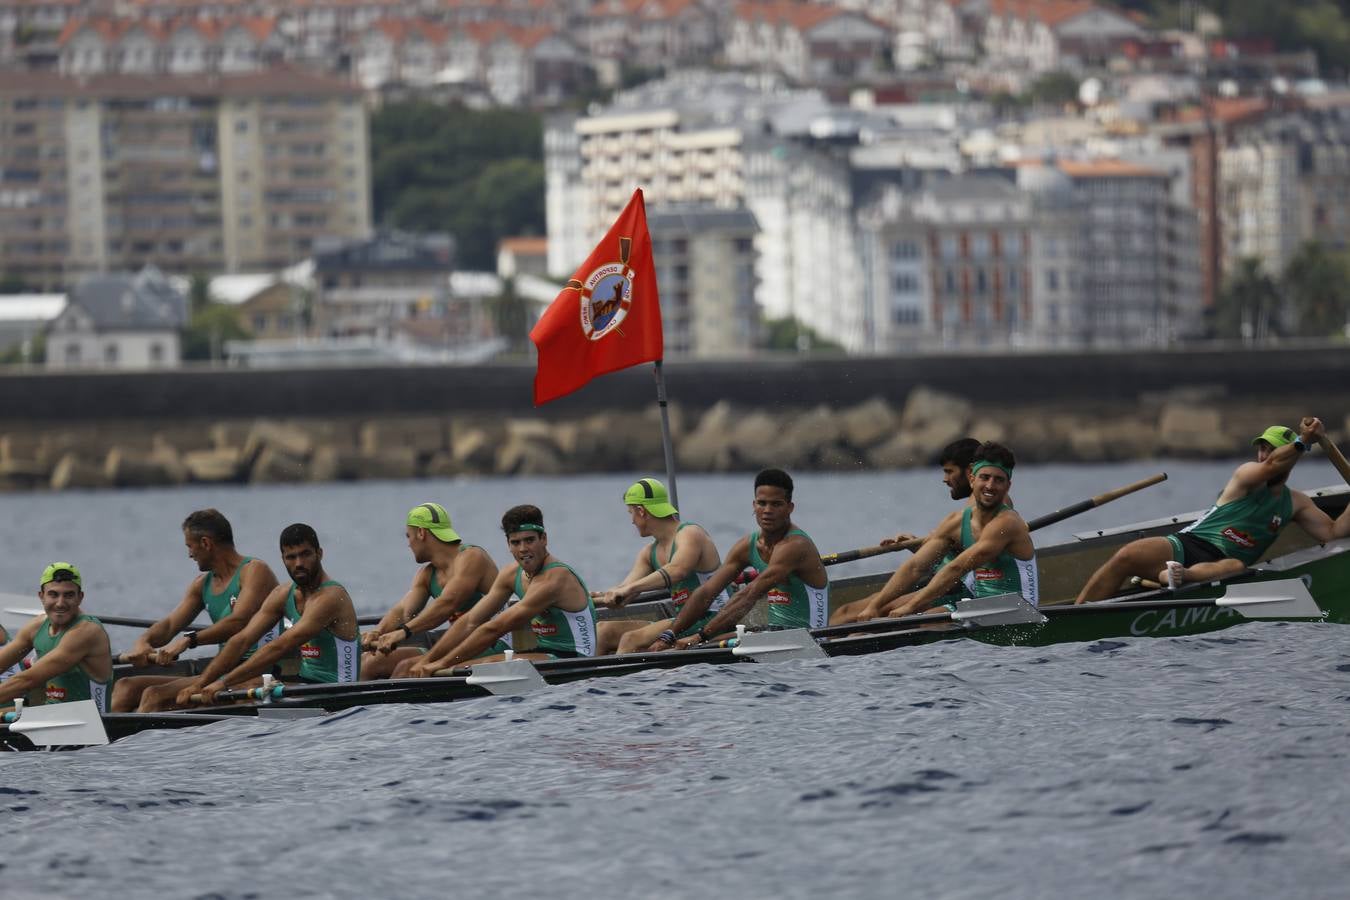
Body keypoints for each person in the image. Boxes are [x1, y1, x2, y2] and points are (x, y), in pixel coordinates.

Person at [1077, 418, 1350, 603]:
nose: (1262, 455)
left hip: (1225, 562)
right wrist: (1303, 441)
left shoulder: (1297, 502)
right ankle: (1078, 615)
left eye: (1270, 449)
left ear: (1288, 456)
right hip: (1189, 543)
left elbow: (1334, 532)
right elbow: (1271, 467)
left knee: (1235, 565)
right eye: (1261, 449)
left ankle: (1177, 576)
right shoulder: (1247, 475)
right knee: (1127, 555)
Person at [167, 523, 361, 708]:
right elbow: (242, 640)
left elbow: (280, 646)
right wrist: (201, 683)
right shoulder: (282, 594)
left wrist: (224, 683)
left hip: (341, 696)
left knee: (241, 691)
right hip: (307, 687)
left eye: (305, 554)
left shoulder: (331, 597)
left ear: (319, 554)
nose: (299, 563)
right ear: (283, 559)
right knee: (236, 690)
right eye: (291, 557)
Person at [843, 442, 1037, 622]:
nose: (990, 486)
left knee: (916, 622)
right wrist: (874, 607)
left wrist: (910, 607)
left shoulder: (1008, 523)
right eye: (984, 478)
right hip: (979, 604)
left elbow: (956, 568)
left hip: (1018, 610)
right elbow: (915, 568)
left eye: (999, 481)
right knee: (910, 620)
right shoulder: (955, 522)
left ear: (1008, 486)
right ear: (972, 478)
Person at [112, 509, 281, 712]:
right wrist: (143, 642)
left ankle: (132, 741)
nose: (189, 554)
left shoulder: (254, 571)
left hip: (257, 673)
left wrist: (189, 640)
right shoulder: (202, 584)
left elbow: (239, 621)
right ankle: (100, 742)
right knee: (125, 687)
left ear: (206, 543)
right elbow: (169, 626)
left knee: (154, 695)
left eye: (190, 547)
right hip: (222, 671)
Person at [400, 504, 596, 677]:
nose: (523, 549)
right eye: (515, 543)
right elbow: (470, 621)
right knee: (421, 666)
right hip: (544, 651)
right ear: (507, 544)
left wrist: (441, 663)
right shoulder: (511, 574)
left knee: (486, 665)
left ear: (544, 539)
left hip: (575, 659)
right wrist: (429, 661)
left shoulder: (555, 578)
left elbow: (495, 628)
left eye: (529, 540)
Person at [649, 468, 829, 651]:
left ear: (790, 508)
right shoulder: (746, 546)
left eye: (776, 504)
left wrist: (700, 636)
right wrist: (669, 634)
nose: (767, 511)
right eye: (762, 503)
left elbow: (750, 594)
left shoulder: (795, 545)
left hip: (812, 638)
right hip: (775, 634)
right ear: (754, 505)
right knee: (684, 645)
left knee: (700, 643)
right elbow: (706, 592)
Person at [831, 437, 982, 624]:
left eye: (950, 472)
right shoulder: (968, 515)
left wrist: (875, 606)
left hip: (954, 590)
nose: (945, 479)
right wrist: (918, 546)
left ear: (970, 471)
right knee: (846, 613)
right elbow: (952, 557)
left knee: (856, 615)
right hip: (946, 583)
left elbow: (917, 568)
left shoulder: (973, 515)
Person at [359, 503, 499, 679]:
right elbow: (403, 611)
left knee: (406, 668)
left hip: (493, 641)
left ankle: (394, 706)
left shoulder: (472, 557)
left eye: (408, 536)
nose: (408, 544)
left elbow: (447, 603)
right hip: (456, 641)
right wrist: (378, 633)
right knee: (370, 661)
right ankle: (354, 706)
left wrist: (402, 632)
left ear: (421, 533)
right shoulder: (426, 575)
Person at [593, 478, 728, 655]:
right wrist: (597, 597)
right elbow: (625, 593)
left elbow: (677, 570)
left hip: (713, 617)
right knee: (603, 630)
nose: (632, 520)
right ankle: (595, 682)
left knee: (630, 639)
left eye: (631, 512)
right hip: (682, 621)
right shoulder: (649, 552)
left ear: (641, 511)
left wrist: (629, 589)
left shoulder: (690, 534)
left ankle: (624, 682)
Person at [0, 563, 113, 711]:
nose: (60, 603)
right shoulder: (35, 627)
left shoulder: (86, 632)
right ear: (41, 596)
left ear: (80, 597)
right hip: (49, 716)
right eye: (53, 594)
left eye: (69, 595)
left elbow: (27, 680)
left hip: (92, 725)